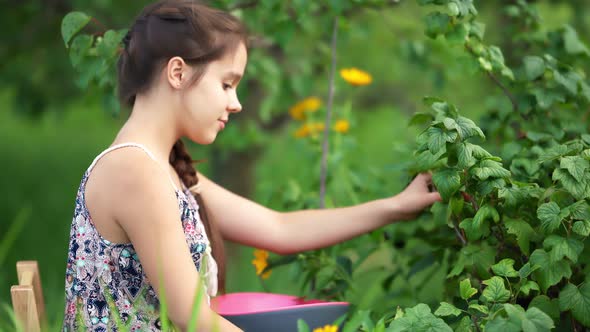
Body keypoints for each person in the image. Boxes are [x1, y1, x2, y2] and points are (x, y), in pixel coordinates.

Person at [61, 0, 442, 331]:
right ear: (177, 73)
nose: (236, 103)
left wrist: (396, 206)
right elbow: (191, 318)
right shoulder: (135, 171)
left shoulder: (161, 170)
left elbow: (278, 228)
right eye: (227, 84)